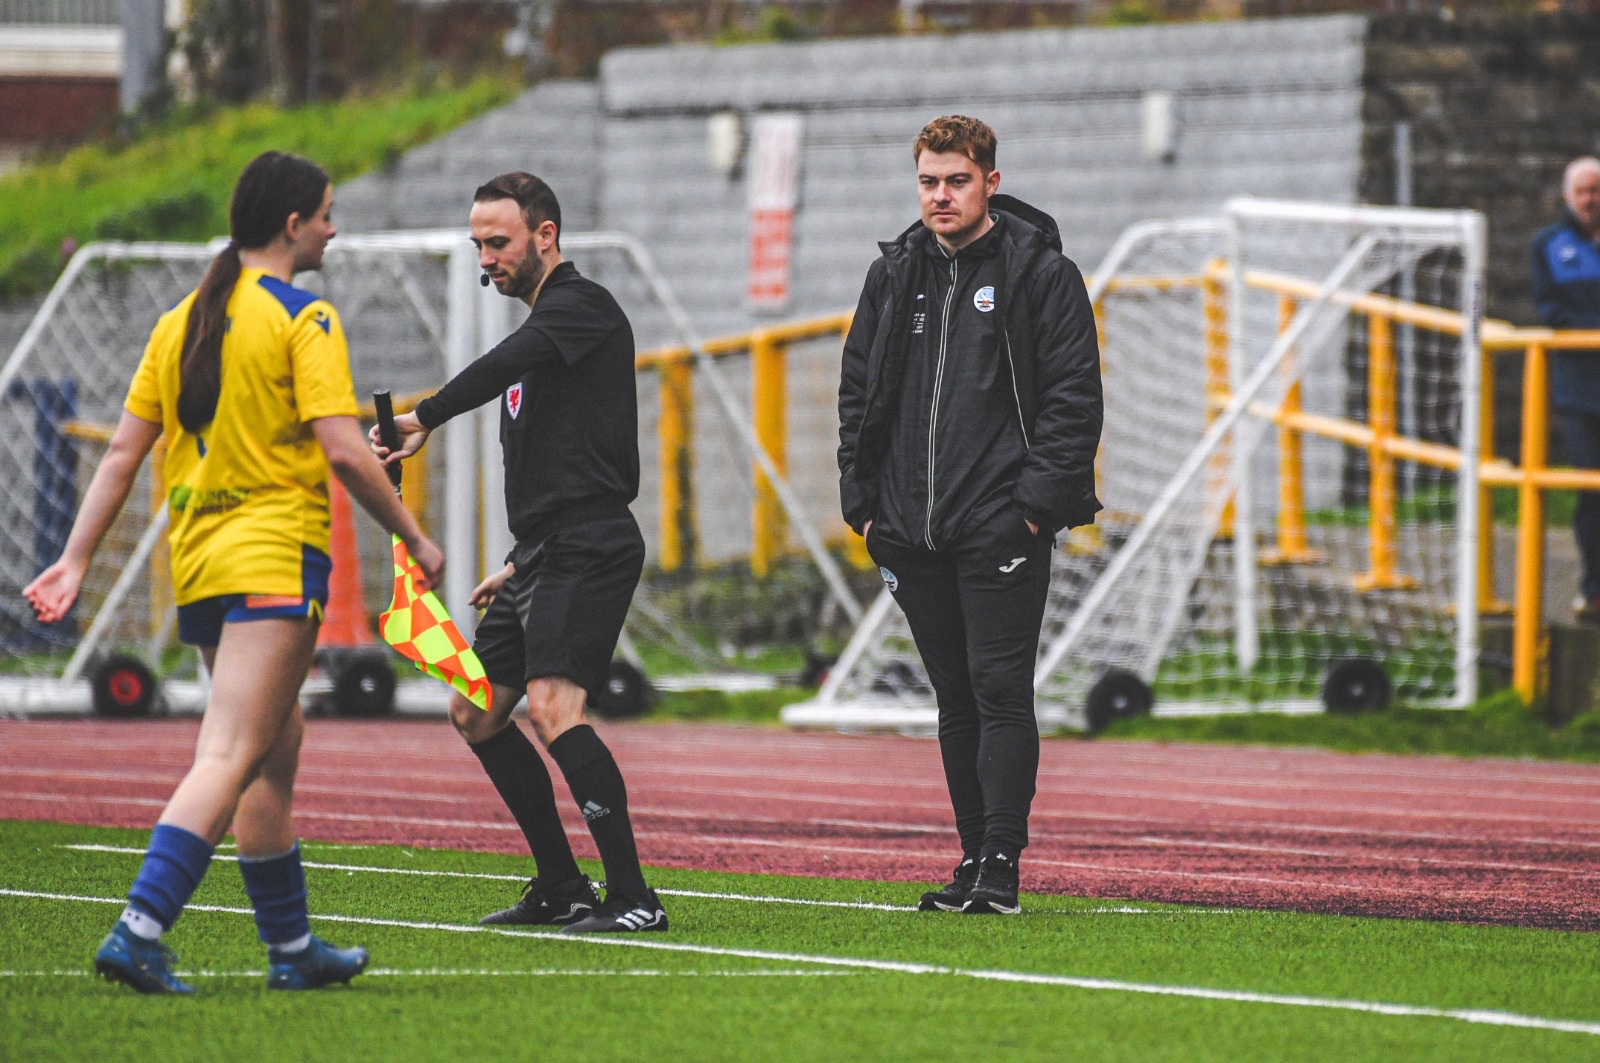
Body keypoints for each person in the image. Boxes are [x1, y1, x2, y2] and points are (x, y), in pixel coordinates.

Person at [24, 151, 445, 994]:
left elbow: (120, 454)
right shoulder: (305, 318)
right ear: (293, 226)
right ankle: (140, 926)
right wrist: (413, 537)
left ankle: (291, 950)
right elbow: (341, 449)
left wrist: (74, 558)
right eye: (326, 212)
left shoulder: (181, 320)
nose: (334, 227)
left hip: (203, 560)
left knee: (275, 743)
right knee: (231, 748)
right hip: (273, 557)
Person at [371, 172, 665, 934]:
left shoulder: (581, 308)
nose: (485, 258)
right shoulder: (544, 337)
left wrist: (424, 416)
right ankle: (564, 886)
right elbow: (554, 459)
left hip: (590, 544)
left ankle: (634, 897)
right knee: (476, 710)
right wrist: (518, 554)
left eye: (497, 242)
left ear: (545, 235)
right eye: (478, 244)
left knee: (552, 707)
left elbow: (507, 361)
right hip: (544, 551)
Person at [837, 116, 1102, 915]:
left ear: (990, 179)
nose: (940, 195)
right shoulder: (893, 274)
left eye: (956, 180)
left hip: (1000, 528)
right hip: (909, 530)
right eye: (928, 181)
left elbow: (1073, 401)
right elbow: (857, 393)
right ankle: (968, 857)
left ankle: (1001, 863)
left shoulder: (1041, 273)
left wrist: (1029, 510)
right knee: (951, 698)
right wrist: (864, 505)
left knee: (999, 689)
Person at [1533, 156, 1600, 618]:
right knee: (1590, 488)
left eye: (1598, 190)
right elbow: (1549, 311)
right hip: (1580, 389)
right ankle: (1594, 587)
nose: (1592, 200)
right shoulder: (1550, 246)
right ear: (1568, 197)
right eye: (1585, 191)